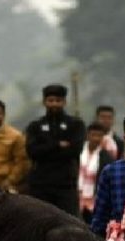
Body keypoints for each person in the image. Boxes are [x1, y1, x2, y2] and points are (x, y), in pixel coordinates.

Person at [25, 84, 86, 216]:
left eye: (58, 101)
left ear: (64, 102)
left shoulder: (75, 125)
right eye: (50, 101)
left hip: (65, 184)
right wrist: (57, 145)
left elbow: (74, 151)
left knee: (68, 222)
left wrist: (45, 148)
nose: (54, 104)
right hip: (40, 184)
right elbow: (32, 152)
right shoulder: (35, 126)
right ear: (44, 102)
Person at [79, 121, 117, 223]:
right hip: (76, 197)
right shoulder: (78, 151)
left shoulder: (105, 156)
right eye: (93, 135)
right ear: (88, 135)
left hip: (95, 199)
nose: (96, 138)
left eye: (99, 136)